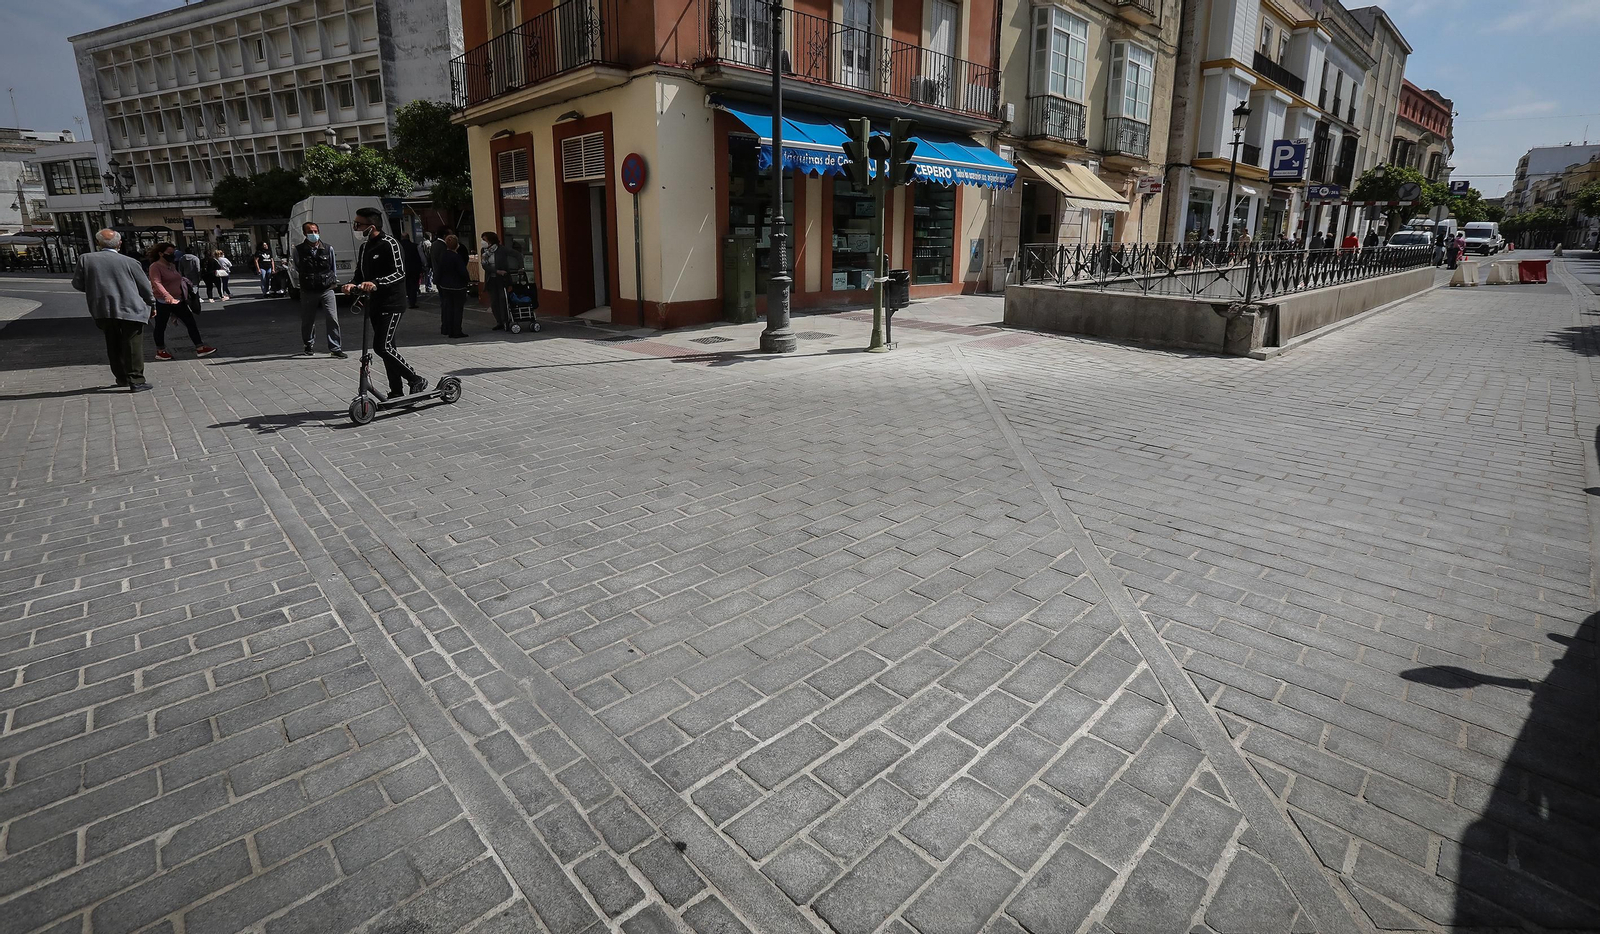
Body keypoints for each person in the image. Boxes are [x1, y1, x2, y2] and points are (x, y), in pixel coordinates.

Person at [344, 208, 426, 399]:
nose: (355, 227)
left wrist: (376, 283)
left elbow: (399, 272)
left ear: (371, 226)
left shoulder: (390, 244)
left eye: (358, 224)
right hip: (374, 303)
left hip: (392, 303)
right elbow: (360, 274)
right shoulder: (365, 247)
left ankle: (415, 379)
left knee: (382, 347)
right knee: (389, 348)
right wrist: (352, 284)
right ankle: (396, 390)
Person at [73, 229, 156, 392]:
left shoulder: (85, 259)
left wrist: (95, 289)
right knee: (132, 344)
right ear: (119, 243)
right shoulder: (130, 262)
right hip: (131, 308)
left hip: (103, 309)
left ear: (98, 243)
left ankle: (122, 377)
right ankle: (136, 380)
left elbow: (78, 283)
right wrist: (152, 305)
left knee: (112, 342)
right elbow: (145, 287)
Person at [147, 242, 216, 361]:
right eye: (169, 253)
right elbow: (156, 282)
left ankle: (200, 347)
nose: (172, 255)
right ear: (160, 253)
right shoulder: (155, 266)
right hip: (164, 301)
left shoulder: (171, 265)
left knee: (190, 322)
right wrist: (167, 295)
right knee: (160, 326)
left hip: (178, 300)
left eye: (173, 253)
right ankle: (160, 351)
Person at [294, 222, 345, 358]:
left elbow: (332, 267)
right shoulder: (299, 250)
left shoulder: (328, 248)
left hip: (326, 289)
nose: (314, 234)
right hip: (308, 290)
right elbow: (297, 267)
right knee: (308, 320)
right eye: (310, 232)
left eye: (315, 231)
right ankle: (308, 345)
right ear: (305, 234)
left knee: (332, 318)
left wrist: (332, 282)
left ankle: (335, 348)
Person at [435, 234, 471, 338]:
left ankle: (448, 329)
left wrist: (438, 281)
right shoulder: (456, 257)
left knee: (448, 308)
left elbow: (439, 270)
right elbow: (463, 272)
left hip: (445, 286)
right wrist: (467, 281)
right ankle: (456, 331)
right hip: (458, 286)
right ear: (457, 245)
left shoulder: (443, 255)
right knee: (457, 309)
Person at [480, 231, 509, 331]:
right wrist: (496, 271)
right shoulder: (483, 251)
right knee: (494, 302)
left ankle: (506, 320)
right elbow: (484, 265)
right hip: (491, 279)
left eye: (484, 240)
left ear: (490, 240)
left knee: (502, 299)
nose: (482, 242)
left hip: (501, 279)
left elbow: (515, 255)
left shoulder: (501, 249)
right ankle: (499, 321)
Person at [400, 232, 423, 309]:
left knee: (406, 285)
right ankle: (412, 302)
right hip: (414, 269)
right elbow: (420, 257)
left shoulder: (399, 246)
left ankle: (406, 300)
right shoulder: (415, 246)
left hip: (403, 269)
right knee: (413, 286)